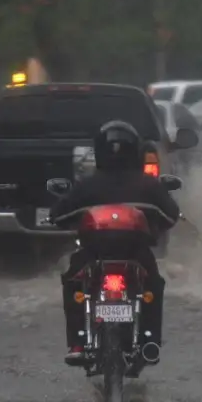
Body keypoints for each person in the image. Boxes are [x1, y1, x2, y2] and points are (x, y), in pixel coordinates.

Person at [50, 120, 180, 364]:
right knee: (153, 286)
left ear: (99, 151)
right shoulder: (149, 185)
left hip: (92, 253)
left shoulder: (87, 186)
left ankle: (78, 343)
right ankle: (149, 342)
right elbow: (171, 215)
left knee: (73, 283)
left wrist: (60, 219)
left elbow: (59, 215)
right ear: (136, 152)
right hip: (136, 253)